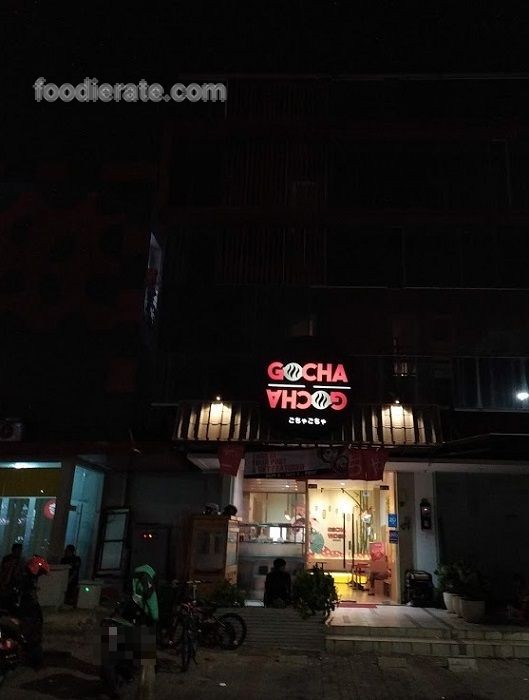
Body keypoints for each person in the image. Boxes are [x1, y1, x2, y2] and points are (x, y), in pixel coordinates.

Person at [0, 543, 25, 608]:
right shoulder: (7, 559)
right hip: (6, 582)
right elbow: (3, 570)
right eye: (18, 550)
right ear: (13, 550)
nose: (19, 552)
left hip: (15, 583)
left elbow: (22, 572)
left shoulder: (21, 560)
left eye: (20, 550)